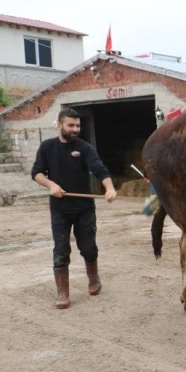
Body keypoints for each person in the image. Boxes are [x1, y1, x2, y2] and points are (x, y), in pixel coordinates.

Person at [31, 108, 117, 309]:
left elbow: (99, 169)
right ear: (59, 125)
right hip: (60, 209)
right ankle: (63, 292)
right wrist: (51, 185)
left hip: (84, 208)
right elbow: (36, 173)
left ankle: (93, 278)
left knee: (88, 248)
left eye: (77, 125)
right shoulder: (47, 147)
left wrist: (110, 188)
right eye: (70, 125)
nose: (75, 129)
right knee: (61, 250)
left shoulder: (85, 148)